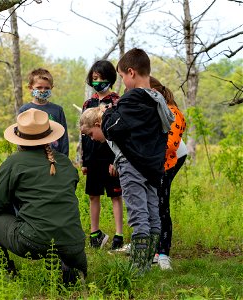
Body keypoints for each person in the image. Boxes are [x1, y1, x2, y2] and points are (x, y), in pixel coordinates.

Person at [80, 48, 174, 274]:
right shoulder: (157, 98)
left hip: (132, 164)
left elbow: (113, 128)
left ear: (131, 73)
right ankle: (148, 261)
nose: (122, 81)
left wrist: (109, 111)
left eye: (121, 76)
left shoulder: (132, 98)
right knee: (152, 211)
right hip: (153, 165)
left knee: (138, 213)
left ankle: (138, 267)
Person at [0, 108, 87, 284]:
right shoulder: (64, 162)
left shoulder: (14, 162)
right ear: (49, 135)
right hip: (74, 242)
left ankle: (5, 273)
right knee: (75, 272)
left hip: (33, 242)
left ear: (19, 139)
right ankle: (68, 266)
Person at [81, 60, 124, 250]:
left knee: (115, 195)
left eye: (102, 78)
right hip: (92, 156)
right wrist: (83, 160)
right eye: (95, 78)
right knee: (93, 195)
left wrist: (117, 159)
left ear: (111, 78)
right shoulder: (88, 103)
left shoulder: (117, 101)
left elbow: (121, 132)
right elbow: (84, 131)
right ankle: (95, 233)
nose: (98, 81)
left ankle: (119, 235)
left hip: (110, 156)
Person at [149, 76, 187, 270]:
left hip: (173, 158)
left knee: (161, 203)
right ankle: (155, 249)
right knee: (154, 203)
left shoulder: (172, 112)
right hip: (156, 160)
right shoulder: (153, 109)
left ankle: (163, 253)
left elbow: (171, 145)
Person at [18, 68, 69, 156]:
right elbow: (20, 137)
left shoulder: (57, 110)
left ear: (51, 88)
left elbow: (63, 137)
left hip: (55, 157)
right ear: (30, 88)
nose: (43, 90)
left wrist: (64, 157)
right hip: (31, 156)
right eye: (39, 87)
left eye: (47, 88)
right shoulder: (24, 110)